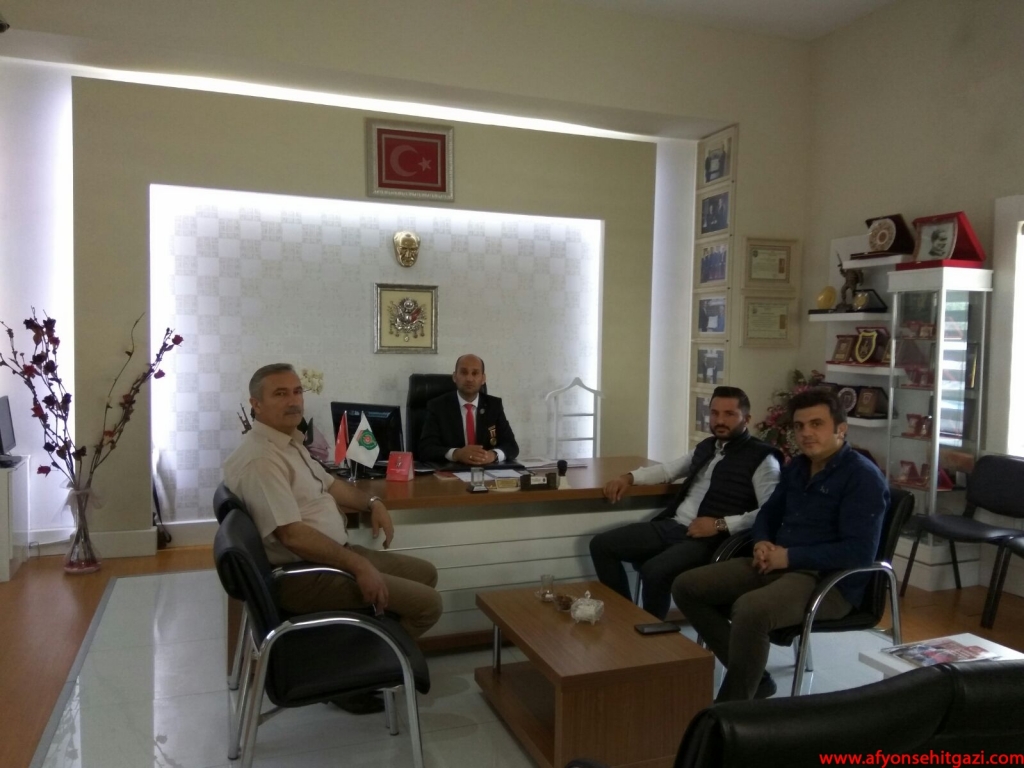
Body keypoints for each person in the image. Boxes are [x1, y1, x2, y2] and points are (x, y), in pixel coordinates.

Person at [223, 363, 443, 713]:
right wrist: (359, 566)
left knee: (426, 573)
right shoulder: (261, 459)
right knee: (428, 606)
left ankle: (360, 651)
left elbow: (332, 485)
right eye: (280, 393)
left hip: (330, 555)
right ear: (256, 404)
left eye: (297, 391)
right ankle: (352, 675)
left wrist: (373, 503)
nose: (293, 401)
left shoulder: (287, 443)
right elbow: (292, 536)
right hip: (306, 573)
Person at [672, 388, 888, 702]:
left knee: (751, 610)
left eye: (816, 424)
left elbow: (858, 552)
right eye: (800, 426)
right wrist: (762, 541)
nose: (806, 433)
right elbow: (769, 513)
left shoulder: (862, 478)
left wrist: (789, 557)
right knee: (687, 587)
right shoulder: (798, 467)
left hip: (829, 581)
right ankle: (755, 679)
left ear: (841, 429)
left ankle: (731, 709)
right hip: (776, 562)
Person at [589, 386, 781, 620]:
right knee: (601, 545)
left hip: (711, 540)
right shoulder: (707, 446)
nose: (720, 420)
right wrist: (628, 478)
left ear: (746, 419)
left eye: (729, 414)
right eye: (714, 413)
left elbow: (770, 511)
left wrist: (720, 524)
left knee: (654, 571)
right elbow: (669, 470)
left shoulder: (763, 458)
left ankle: (651, 630)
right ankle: (624, 619)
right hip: (674, 525)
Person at [416, 353, 519, 465]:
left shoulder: (494, 406)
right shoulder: (438, 406)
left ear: (483, 378)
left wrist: (493, 455)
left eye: (475, 373)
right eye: (464, 372)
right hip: (452, 471)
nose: (469, 379)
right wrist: (456, 454)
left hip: (485, 470)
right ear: (454, 377)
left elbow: (511, 446)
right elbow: (425, 449)